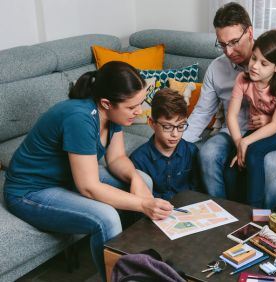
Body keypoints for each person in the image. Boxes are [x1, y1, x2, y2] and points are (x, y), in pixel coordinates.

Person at [3, 61, 174, 282]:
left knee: (143, 180)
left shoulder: (113, 115)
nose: (139, 112)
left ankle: (140, 264)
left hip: (65, 179)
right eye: (132, 107)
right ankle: (118, 277)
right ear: (106, 103)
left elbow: (116, 158)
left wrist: (134, 178)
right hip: (29, 191)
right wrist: (142, 204)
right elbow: (89, 187)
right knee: (106, 218)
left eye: (140, 104)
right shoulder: (80, 118)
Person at [183, 2, 276, 208]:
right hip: (233, 133)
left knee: (270, 165)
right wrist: (174, 142)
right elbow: (202, 113)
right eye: (222, 44)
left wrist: (275, 121)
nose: (229, 51)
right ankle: (223, 216)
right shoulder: (218, 69)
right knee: (208, 154)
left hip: (271, 133)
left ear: (249, 32)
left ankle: (260, 224)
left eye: (234, 42)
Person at [227, 29, 276, 208]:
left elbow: (275, 125)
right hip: (257, 130)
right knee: (233, 165)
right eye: (254, 58)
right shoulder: (242, 80)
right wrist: (238, 143)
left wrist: (246, 143)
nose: (255, 66)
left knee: (254, 152)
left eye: (264, 63)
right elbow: (232, 115)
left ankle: (256, 214)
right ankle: (236, 211)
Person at [130, 88, 200, 200]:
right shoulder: (138, 159)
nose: (175, 134)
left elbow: (197, 190)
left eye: (181, 126)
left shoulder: (192, 151)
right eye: (167, 127)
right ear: (152, 123)